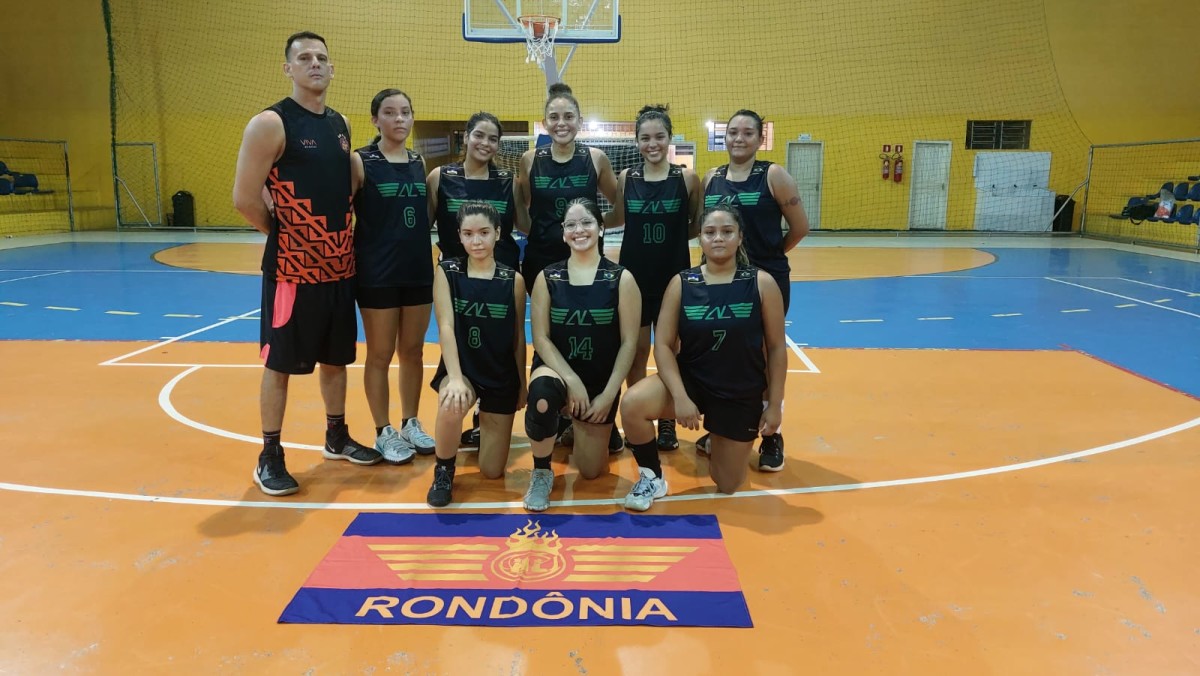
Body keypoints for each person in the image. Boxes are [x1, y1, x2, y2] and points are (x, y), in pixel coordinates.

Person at [233, 31, 380, 497]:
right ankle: (269, 455)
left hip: (339, 268)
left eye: (321, 58)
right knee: (280, 364)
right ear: (288, 68)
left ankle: (336, 435)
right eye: (304, 58)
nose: (314, 64)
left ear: (332, 69)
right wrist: (288, 237)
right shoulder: (270, 123)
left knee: (336, 360)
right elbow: (244, 198)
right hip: (291, 273)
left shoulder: (340, 124)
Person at [619, 205, 787, 510]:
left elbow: (776, 348)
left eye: (727, 231)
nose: (718, 238)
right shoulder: (682, 283)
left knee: (727, 483)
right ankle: (652, 477)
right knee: (632, 403)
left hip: (738, 390)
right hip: (693, 381)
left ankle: (719, 435)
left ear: (740, 237)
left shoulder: (761, 283)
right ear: (700, 238)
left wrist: (774, 405)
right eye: (710, 232)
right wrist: (680, 397)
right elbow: (664, 345)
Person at [701, 109, 809, 471]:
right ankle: (725, 425)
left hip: (766, 281)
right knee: (726, 354)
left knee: (764, 356)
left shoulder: (773, 175)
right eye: (733, 132)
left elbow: (799, 227)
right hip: (723, 281)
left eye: (748, 132)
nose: (739, 138)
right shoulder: (712, 178)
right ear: (724, 137)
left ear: (760, 139)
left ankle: (771, 435)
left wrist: (770, 256)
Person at [516, 82, 620, 453]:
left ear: (579, 120)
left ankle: (603, 412)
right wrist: (541, 233)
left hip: (588, 262)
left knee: (595, 330)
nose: (561, 123)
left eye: (568, 116)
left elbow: (619, 204)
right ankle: (556, 408)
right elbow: (521, 208)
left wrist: (592, 229)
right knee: (550, 332)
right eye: (554, 117)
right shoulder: (530, 160)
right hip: (542, 261)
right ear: (545, 122)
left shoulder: (596, 159)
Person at [522, 198, 640, 512]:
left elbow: (629, 343)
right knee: (542, 397)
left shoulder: (622, 279)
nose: (579, 230)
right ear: (563, 234)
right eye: (571, 225)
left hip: (599, 379)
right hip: (558, 371)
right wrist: (571, 380)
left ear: (601, 228)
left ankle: (579, 422)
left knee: (590, 471)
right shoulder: (548, 277)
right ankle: (542, 471)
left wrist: (608, 395)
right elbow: (541, 339)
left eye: (586, 222)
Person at [427, 112, 525, 449]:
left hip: (500, 275)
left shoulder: (508, 181)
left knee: (498, 344)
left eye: (493, 138)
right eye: (479, 135)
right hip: (458, 279)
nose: (485, 143)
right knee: (460, 337)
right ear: (466, 136)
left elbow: (526, 224)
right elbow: (422, 225)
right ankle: (456, 393)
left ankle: (485, 418)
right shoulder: (441, 177)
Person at [608, 104, 701, 452]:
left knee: (670, 353)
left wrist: (672, 240)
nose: (652, 144)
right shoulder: (627, 178)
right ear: (636, 141)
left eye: (659, 136)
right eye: (645, 138)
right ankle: (639, 418)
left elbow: (697, 225)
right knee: (636, 352)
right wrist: (580, 221)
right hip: (633, 279)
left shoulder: (687, 180)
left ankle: (667, 422)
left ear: (669, 138)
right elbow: (618, 218)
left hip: (673, 280)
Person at [351, 88, 435, 464]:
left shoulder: (419, 162)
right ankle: (383, 430)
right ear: (375, 120)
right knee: (381, 353)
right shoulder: (360, 161)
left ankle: (410, 421)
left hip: (417, 270)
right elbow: (339, 210)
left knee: (413, 351)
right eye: (389, 112)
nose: (399, 119)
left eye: (405, 112)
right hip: (377, 273)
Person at [425, 201, 527, 507]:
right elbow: (445, 325)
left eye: (484, 232)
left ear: (498, 233)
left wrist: (521, 385)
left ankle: (483, 421)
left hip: (499, 374)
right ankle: (444, 470)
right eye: (468, 234)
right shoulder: (447, 272)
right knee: (452, 401)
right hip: (464, 370)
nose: (477, 241)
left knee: (492, 471)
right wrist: (455, 378)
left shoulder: (513, 280)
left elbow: (518, 338)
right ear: (459, 235)